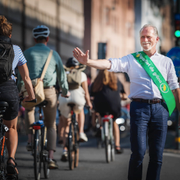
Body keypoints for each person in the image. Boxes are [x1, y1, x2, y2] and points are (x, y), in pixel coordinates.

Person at [73, 24, 180, 180]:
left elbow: (175, 89)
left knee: (157, 155)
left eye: (149, 36)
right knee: (138, 152)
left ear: (156, 39)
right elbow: (110, 63)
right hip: (139, 108)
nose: (145, 40)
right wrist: (89, 62)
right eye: (142, 37)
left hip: (160, 109)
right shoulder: (132, 59)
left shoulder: (166, 62)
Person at [17, 25, 70, 169]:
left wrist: (19, 90)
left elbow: (20, 74)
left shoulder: (26, 52)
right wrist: (65, 91)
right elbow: (62, 76)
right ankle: (51, 158)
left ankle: (29, 140)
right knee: (51, 124)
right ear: (47, 38)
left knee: (29, 110)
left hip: (31, 91)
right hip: (48, 92)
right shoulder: (54, 54)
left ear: (34, 39)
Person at [0, 15, 35, 180]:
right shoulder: (17, 50)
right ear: (10, 35)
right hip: (9, 91)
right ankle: (11, 162)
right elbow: (26, 78)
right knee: (10, 128)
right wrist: (31, 96)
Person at [58, 57, 92, 161]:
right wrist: (89, 103)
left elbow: (59, 88)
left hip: (64, 98)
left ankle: (64, 149)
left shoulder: (63, 73)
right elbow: (86, 92)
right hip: (78, 98)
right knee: (80, 110)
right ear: (78, 66)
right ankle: (81, 132)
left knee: (65, 123)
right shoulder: (82, 74)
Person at [90, 69, 125, 153]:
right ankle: (117, 146)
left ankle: (99, 128)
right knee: (114, 122)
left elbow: (91, 93)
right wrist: (123, 97)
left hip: (100, 105)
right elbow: (123, 93)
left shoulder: (97, 81)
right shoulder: (116, 81)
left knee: (99, 113)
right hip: (114, 106)